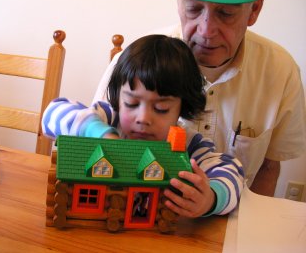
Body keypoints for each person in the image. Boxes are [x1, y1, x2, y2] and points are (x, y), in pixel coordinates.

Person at [93, 0, 306, 197]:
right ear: (178, 3)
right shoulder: (137, 62)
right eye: (193, 9)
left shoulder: (281, 71)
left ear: (255, 8)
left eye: (225, 13)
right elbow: (90, 133)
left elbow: (269, 167)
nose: (206, 31)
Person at [42, 34, 244, 218]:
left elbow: (232, 171)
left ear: (182, 108)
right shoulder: (109, 118)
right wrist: (100, 134)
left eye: (161, 108)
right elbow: (52, 114)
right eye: (131, 103)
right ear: (119, 98)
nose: (143, 118)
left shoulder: (187, 144)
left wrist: (211, 199)